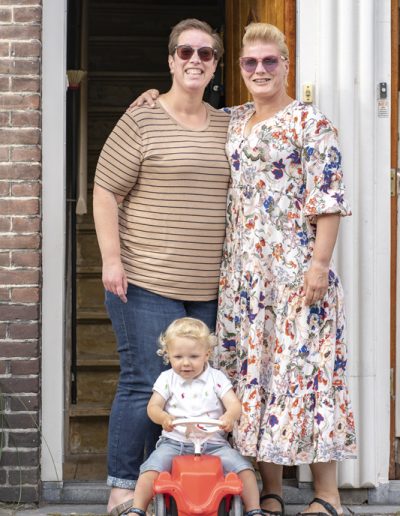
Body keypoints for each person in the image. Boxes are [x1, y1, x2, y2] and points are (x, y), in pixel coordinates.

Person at [131, 22, 356, 516]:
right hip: (246, 278)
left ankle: (329, 497)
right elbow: (185, 110)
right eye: (250, 63)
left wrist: (320, 265)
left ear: (285, 65)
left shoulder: (309, 123)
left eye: (269, 61)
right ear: (239, 69)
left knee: (306, 378)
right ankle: (270, 491)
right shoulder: (234, 120)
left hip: (298, 274)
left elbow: (330, 201)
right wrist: (149, 97)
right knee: (259, 378)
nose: (259, 70)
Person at [93, 19, 231, 516]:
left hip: (208, 288)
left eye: (206, 53)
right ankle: (123, 490)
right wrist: (111, 259)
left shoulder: (228, 124)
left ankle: (178, 487)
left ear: (215, 65)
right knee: (144, 380)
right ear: (170, 60)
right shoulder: (141, 120)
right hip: (145, 279)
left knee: (198, 385)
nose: (195, 60)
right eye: (185, 51)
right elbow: (106, 189)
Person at [125, 317, 263, 516]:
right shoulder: (167, 379)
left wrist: (229, 417)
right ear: (168, 355)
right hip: (175, 442)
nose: (186, 363)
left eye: (194, 356)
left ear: (207, 354)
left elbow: (234, 404)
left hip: (214, 444)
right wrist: (163, 417)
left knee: (244, 469)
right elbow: (153, 407)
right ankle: (137, 509)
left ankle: (253, 510)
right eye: (178, 357)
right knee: (150, 469)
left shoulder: (216, 378)